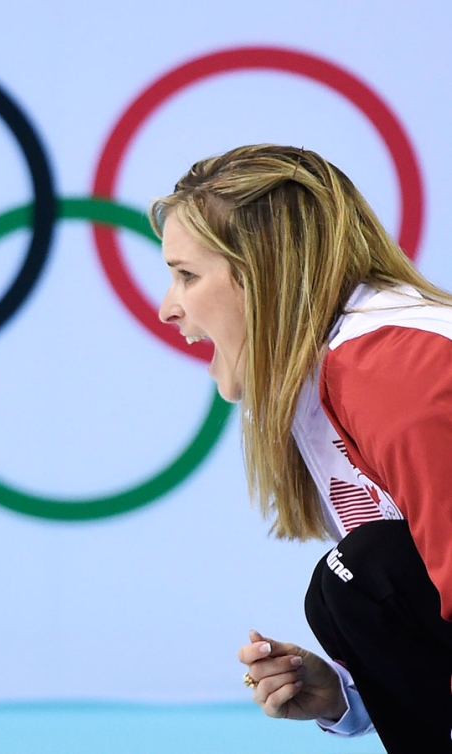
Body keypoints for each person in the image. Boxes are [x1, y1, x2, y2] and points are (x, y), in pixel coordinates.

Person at [151, 144, 452, 752]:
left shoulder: (393, 371)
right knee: (349, 586)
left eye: (187, 274)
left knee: (358, 577)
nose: (167, 308)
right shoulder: (337, 367)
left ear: (261, 274)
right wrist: (353, 694)